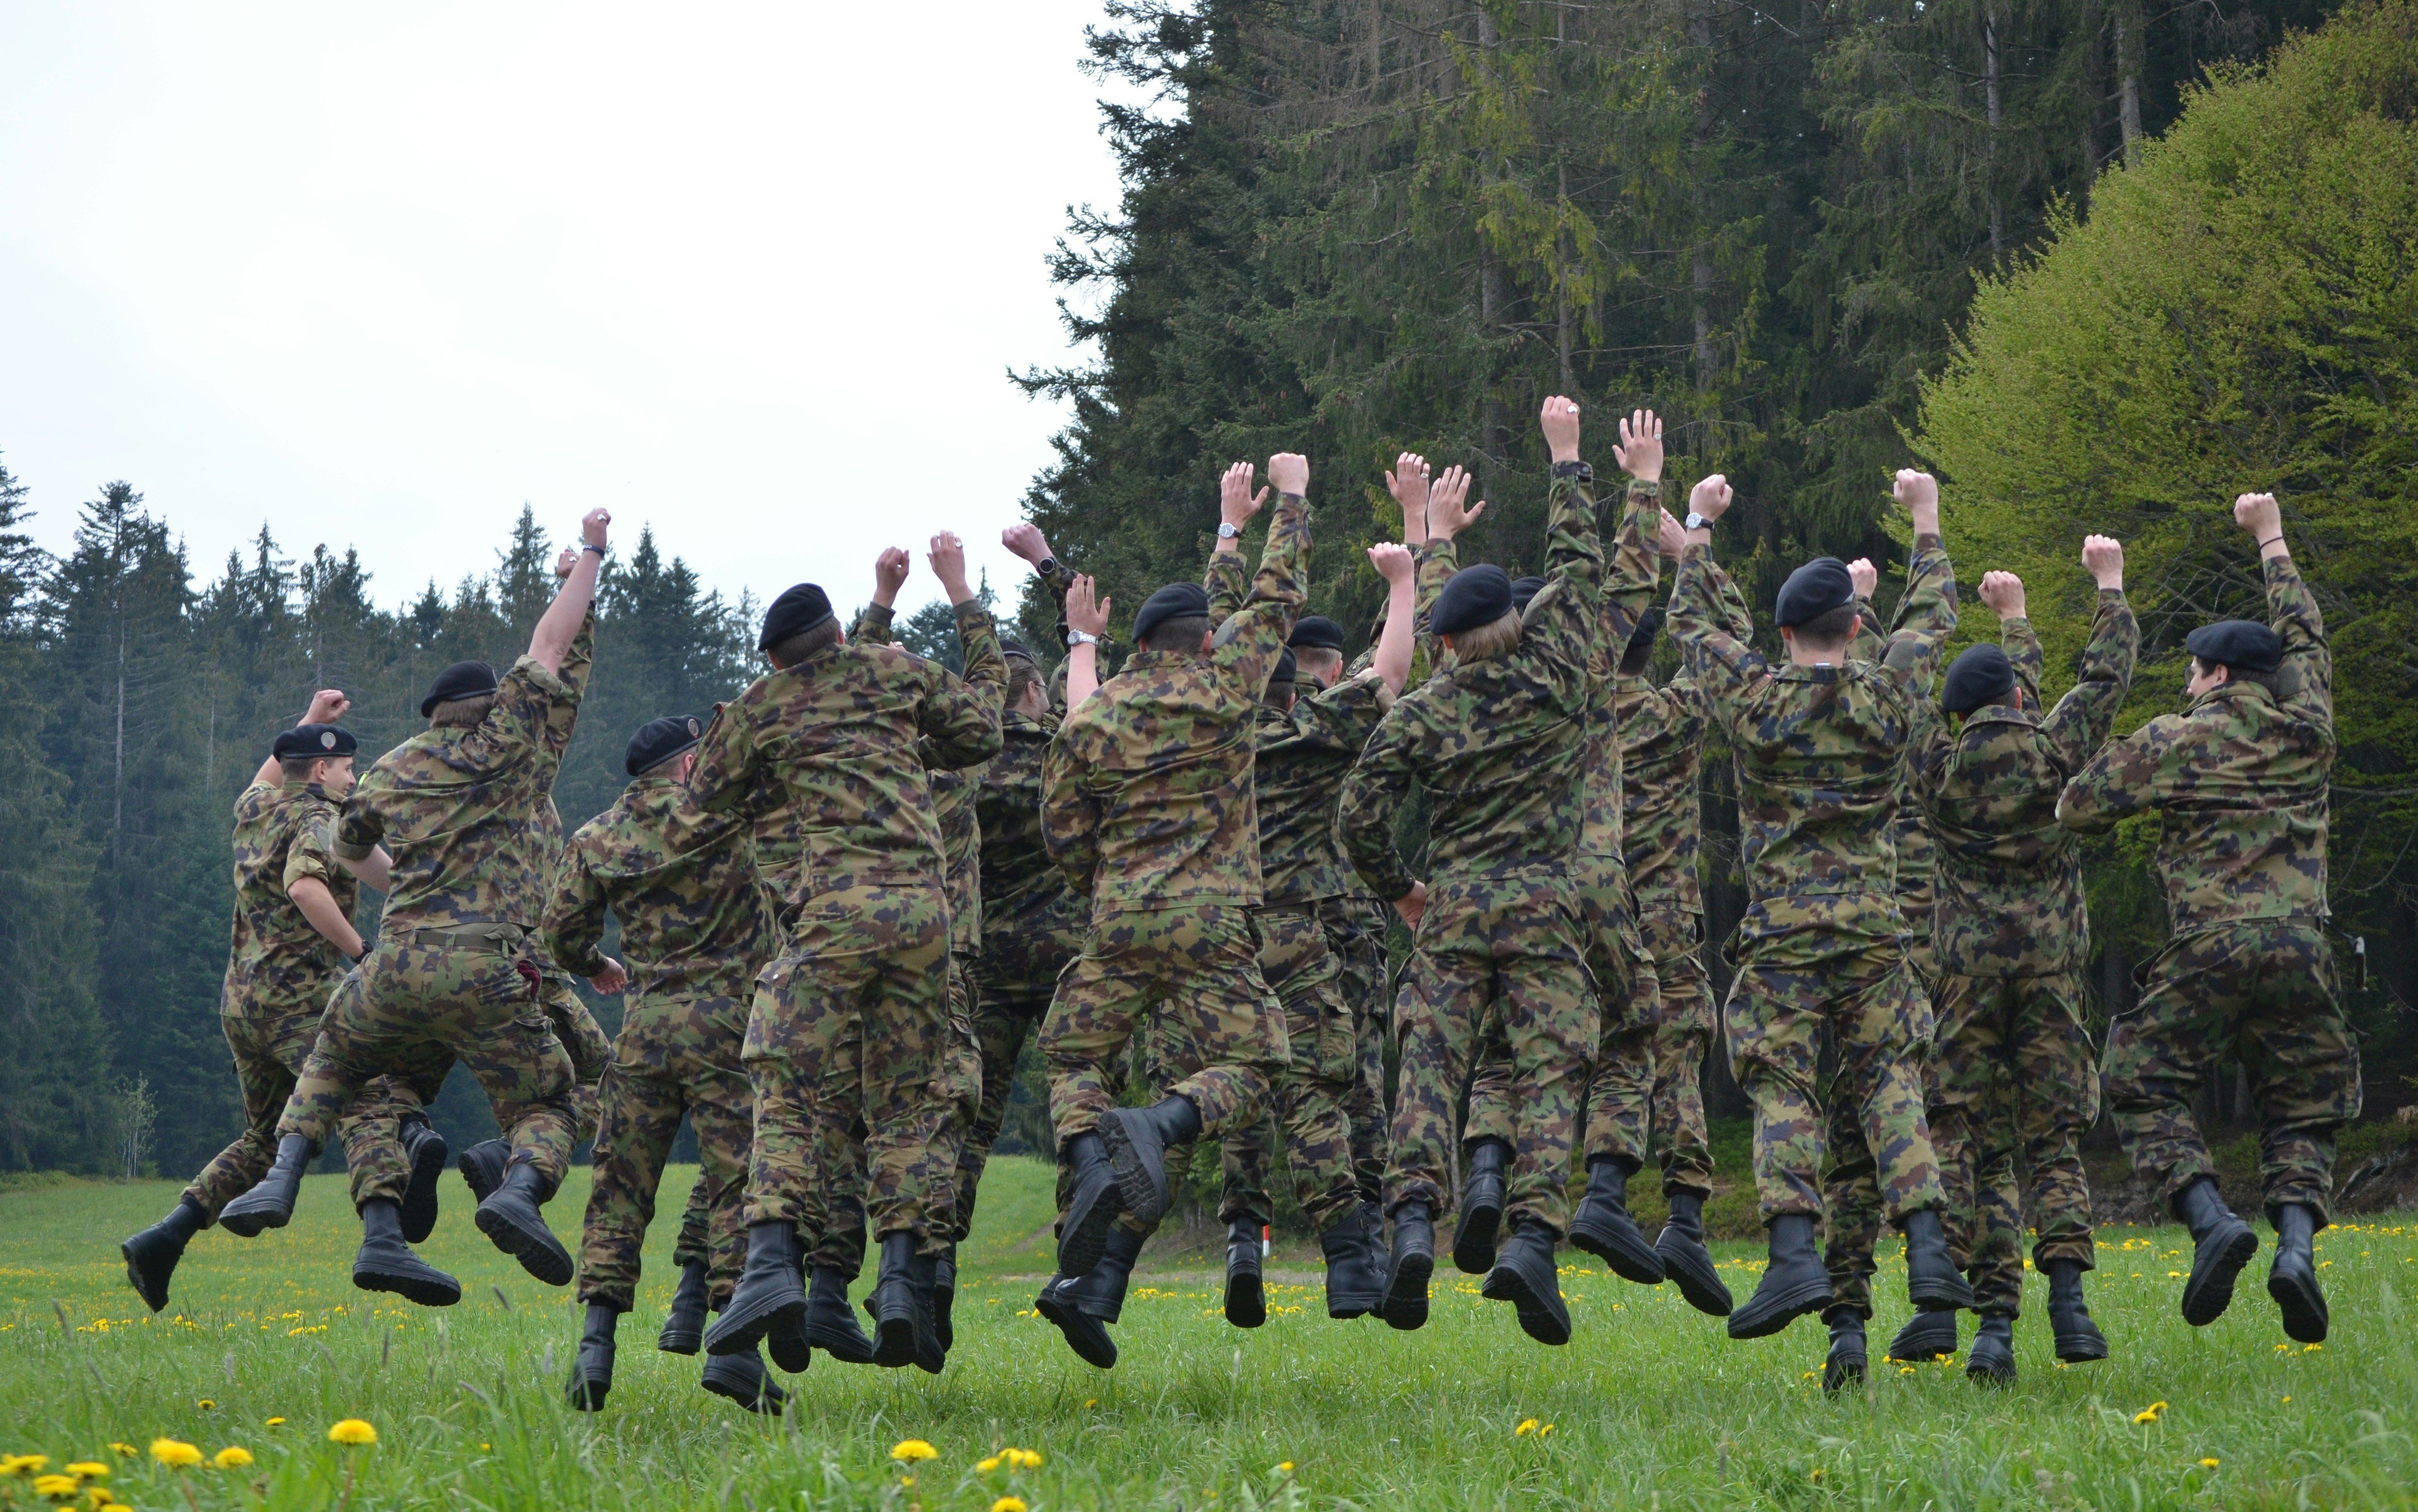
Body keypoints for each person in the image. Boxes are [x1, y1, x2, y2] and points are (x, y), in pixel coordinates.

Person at [219, 514, 616, 1285]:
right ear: (493, 706)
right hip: (489, 969)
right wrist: (591, 558)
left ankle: (283, 1176)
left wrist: (401, 880)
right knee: (552, 1100)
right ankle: (519, 1190)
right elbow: (551, 648)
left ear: (433, 716)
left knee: (337, 1058)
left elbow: (348, 847)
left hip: (395, 965)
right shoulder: (515, 751)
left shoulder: (392, 768)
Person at [1338, 397, 1627, 1346]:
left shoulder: (1426, 712)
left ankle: (1414, 1223)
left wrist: (1403, 890)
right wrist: (1566, 459)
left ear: (1444, 644)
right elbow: (1579, 570)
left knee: (1428, 1064)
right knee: (1551, 1071)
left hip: (1454, 911)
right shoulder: (1560, 679)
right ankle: (1534, 1239)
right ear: (1519, 621)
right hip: (1546, 908)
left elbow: (1357, 816)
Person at [1664, 469, 1973, 1343]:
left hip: (1785, 939)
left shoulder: (1757, 701)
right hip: (1875, 931)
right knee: (1891, 1082)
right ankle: (1928, 1250)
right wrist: (1925, 518)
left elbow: (1691, 623)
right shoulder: (1890, 694)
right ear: (1856, 628)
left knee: (1785, 1085)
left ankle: (1794, 1254)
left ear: (1787, 633)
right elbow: (1933, 616)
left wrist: (1699, 525)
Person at [696, 534, 1004, 1374]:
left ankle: (770, 1263)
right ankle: (900, 1280)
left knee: (785, 1081)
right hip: (926, 917)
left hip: (835, 914)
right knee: (906, 1104)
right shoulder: (896, 676)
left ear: (775, 658)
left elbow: (706, 793)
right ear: (838, 634)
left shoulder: (764, 704)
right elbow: (981, 728)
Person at [2060, 492, 2359, 1345]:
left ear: (2218, 676)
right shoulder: (2309, 731)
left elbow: (2077, 806)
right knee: (2303, 1104)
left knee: (2139, 1079)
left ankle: (2210, 1219)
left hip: (2209, 948)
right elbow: (2307, 639)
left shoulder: (2175, 739)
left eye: (2193, 673)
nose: (2187, 685)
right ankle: (2295, 1248)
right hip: (2302, 946)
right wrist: (2271, 537)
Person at [1032, 456, 1308, 1368]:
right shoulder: (1227, 688)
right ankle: (1163, 1125)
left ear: (1140, 643)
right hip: (1211, 923)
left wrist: (1111, 882)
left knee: (1077, 1058)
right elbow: (1276, 600)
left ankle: (1090, 1214)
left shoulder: (1093, 717)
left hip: (1118, 920)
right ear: (1202, 641)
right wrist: (1289, 501)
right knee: (1259, 1061)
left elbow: (1062, 834)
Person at [1872, 542, 2137, 1385]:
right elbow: (2104, 680)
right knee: (2051, 1140)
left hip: (1965, 979)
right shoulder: (2055, 753)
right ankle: (2070, 1303)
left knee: (1960, 1133)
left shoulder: (1938, 769)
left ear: (1955, 715)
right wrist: (2099, 590)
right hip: (2052, 976)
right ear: (2021, 699)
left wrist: (1883, 610)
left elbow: (1902, 690)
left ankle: (1956, 1305)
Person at [120, 699, 450, 1312]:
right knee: (369, 1095)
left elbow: (272, 776)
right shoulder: (320, 818)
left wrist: (309, 718)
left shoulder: (258, 807)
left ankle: (164, 1238)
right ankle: (384, 1237)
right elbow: (305, 885)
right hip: (300, 1000)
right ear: (322, 771)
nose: (354, 778)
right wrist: (360, 950)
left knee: (268, 1135)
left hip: (243, 1003)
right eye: (347, 768)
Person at [1454, 417, 1669, 1295]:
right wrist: (1634, 481)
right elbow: (1627, 574)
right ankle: (1606, 1192)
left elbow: (1434, 616)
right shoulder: (1585, 664)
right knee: (1633, 1025)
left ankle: (1488, 1175)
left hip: (1501, 893)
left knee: (1505, 1045)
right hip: (1592, 883)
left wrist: (1434, 535)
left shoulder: (1465, 686)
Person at [1201, 528, 1419, 1325]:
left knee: (1240, 1086)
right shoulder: (1320, 733)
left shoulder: (1203, 737)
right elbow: (1392, 672)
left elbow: (1220, 635)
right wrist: (1411, 565)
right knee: (1333, 1087)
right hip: (1319, 932)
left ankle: (1242, 1237)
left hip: (1224, 937)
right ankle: (1357, 1249)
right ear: (1300, 691)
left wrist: (1231, 535)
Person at [547, 713, 786, 1414]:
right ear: (687, 764)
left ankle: (596, 1346)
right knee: (737, 1179)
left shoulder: (597, 836)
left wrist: (596, 963)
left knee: (620, 1185)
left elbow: (560, 932)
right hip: (727, 1025)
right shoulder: (728, 815)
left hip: (644, 1027)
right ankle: (735, 1342)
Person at [1612, 514, 1754, 1318]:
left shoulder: (1568, 717)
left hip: (1582, 915)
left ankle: (1572, 1200)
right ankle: (1685, 1218)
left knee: (1584, 1057)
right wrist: (1692, 554)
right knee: (1676, 1055)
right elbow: (1734, 647)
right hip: (1663, 915)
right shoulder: (1671, 715)